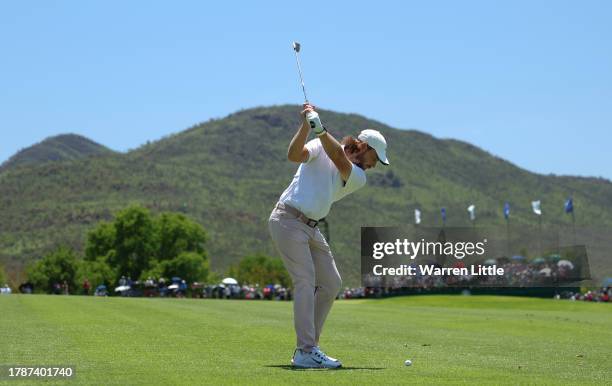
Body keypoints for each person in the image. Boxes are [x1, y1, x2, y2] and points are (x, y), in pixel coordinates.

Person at [268, 103, 389, 368]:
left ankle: (310, 347)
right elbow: (294, 155)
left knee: (331, 282)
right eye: (375, 158)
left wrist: (319, 128)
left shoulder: (358, 176)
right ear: (364, 147)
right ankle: (306, 350)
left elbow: (337, 157)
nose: (375, 165)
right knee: (305, 280)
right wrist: (305, 125)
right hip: (287, 219)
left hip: (310, 227)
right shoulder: (319, 145)